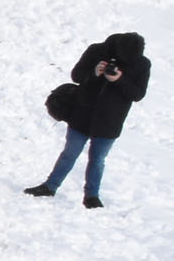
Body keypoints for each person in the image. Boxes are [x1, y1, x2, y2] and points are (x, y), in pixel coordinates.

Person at [26, 30, 150, 209]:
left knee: (97, 160)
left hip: (110, 122)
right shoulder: (96, 51)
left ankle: (91, 197)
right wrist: (94, 72)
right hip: (82, 115)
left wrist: (119, 79)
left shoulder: (142, 64)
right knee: (69, 154)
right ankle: (50, 187)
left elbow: (138, 94)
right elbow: (76, 76)